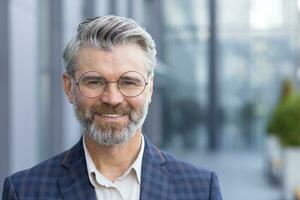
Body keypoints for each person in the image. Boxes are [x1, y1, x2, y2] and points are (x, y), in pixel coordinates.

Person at [2, 15, 222, 200]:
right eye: (94, 81)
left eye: (128, 82)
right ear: (69, 87)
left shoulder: (201, 189)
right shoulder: (25, 191)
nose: (112, 99)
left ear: (150, 88)